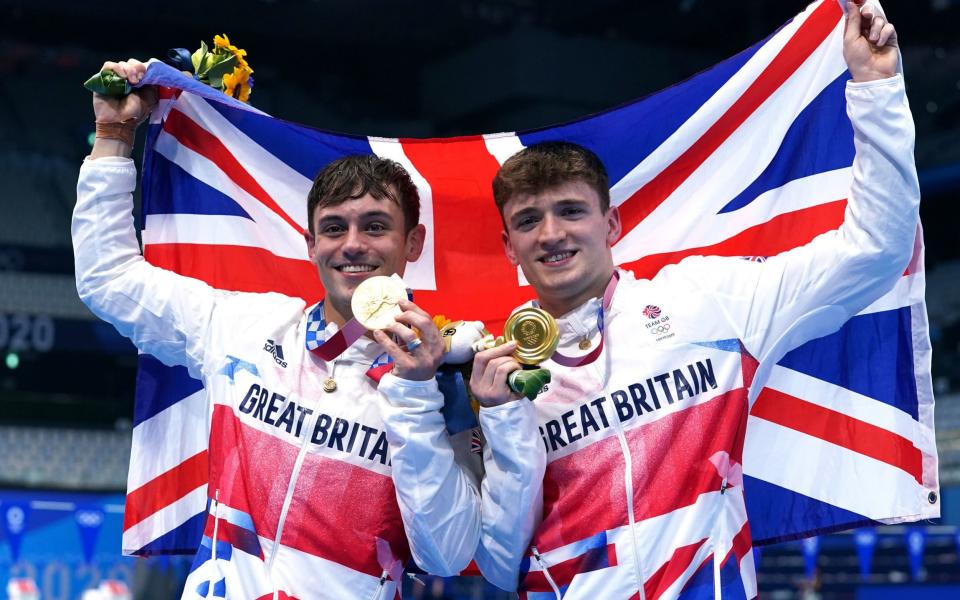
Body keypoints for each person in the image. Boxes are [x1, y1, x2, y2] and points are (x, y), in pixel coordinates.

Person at [469, 2, 914, 597]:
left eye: (571, 211)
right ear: (509, 247)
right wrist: (496, 415)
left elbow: (875, 250)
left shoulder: (709, 301)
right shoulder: (496, 376)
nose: (551, 234)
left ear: (613, 224)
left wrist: (875, 89)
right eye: (529, 220)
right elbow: (499, 563)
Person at [74, 59, 543, 599]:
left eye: (375, 227)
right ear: (310, 244)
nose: (352, 245)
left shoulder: (446, 377)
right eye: (334, 228)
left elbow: (447, 552)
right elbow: (108, 279)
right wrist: (112, 134)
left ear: (411, 244)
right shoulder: (244, 327)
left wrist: (414, 393)